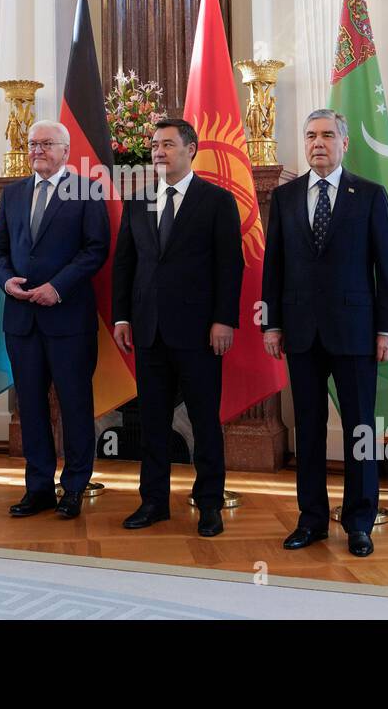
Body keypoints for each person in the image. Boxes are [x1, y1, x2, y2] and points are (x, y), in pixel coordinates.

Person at [261, 109, 388, 557]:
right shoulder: (284, 198)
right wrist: (272, 323)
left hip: (357, 333)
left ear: (344, 143)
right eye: (309, 135)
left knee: (359, 428)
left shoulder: (370, 195)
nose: (317, 142)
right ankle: (312, 520)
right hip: (300, 333)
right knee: (309, 428)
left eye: (326, 135)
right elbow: (274, 267)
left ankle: (359, 521)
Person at [111, 118, 243, 538]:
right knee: (151, 422)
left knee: (204, 421)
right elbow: (125, 266)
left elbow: (230, 265)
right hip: (148, 331)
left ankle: (209, 504)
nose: (158, 151)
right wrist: (121, 316)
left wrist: (224, 319)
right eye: (154, 144)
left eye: (167, 144)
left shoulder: (216, 201)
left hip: (201, 331)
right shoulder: (137, 201)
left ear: (191, 149)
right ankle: (153, 502)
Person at [0, 120, 109, 519]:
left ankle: (73, 486)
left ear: (65, 149)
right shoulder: (15, 193)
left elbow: (96, 249)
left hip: (67, 318)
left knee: (74, 406)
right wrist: (6, 283)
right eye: (31, 143)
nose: (35, 149)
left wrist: (58, 287)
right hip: (21, 320)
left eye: (45, 144)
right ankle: (37, 487)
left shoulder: (87, 190)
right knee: (31, 408)